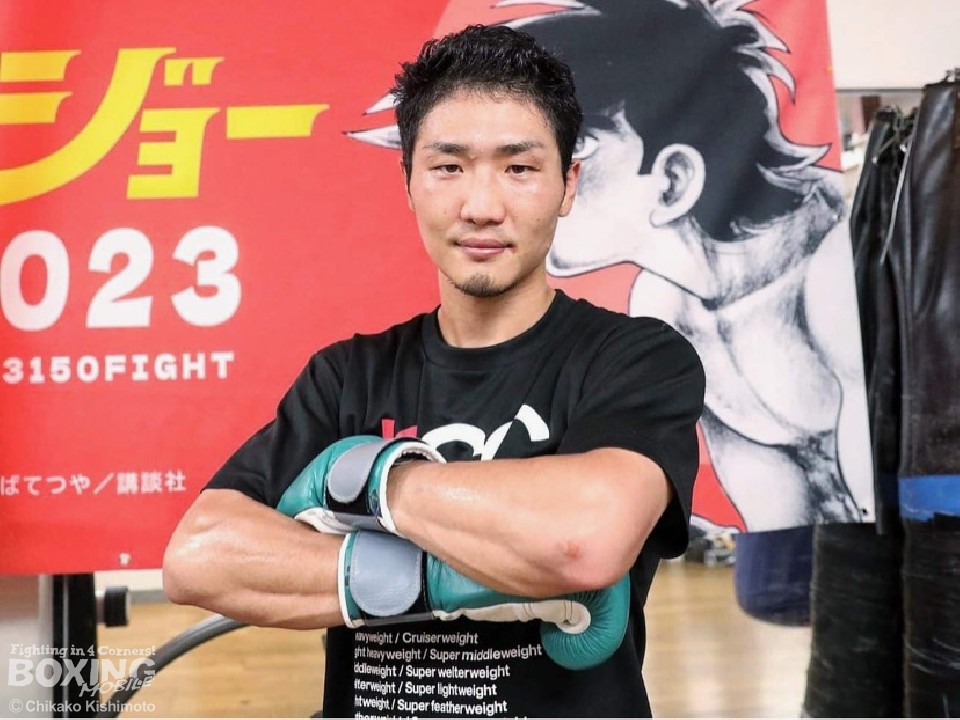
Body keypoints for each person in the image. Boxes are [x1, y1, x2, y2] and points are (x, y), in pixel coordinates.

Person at [163, 23, 705, 718]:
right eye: (449, 167)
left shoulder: (636, 359)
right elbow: (200, 556)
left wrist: (365, 477)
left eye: (519, 168)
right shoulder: (347, 376)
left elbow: (581, 540)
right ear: (409, 182)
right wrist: (457, 576)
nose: (481, 207)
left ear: (568, 185)